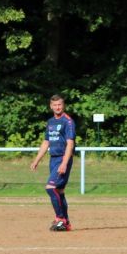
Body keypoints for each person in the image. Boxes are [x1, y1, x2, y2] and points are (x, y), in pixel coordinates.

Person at [30, 94, 75, 231]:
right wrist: (37, 160)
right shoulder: (50, 122)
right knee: (59, 191)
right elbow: (46, 142)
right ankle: (66, 222)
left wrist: (64, 163)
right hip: (53, 159)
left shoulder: (68, 121)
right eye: (55, 105)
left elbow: (70, 144)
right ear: (51, 106)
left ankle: (60, 218)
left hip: (63, 158)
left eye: (60, 104)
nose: (57, 107)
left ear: (63, 105)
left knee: (50, 188)